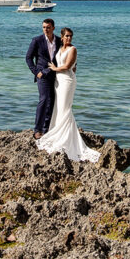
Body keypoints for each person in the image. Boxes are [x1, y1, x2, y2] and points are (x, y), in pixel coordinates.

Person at [36, 28, 99, 162]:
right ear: (62, 37)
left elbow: (67, 66)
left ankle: (66, 139)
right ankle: (57, 133)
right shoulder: (60, 47)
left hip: (67, 81)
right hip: (58, 81)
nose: (69, 38)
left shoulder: (73, 49)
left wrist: (53, 69)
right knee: (58, 108)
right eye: (67, 36)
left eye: (71, 36)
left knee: (65, 108)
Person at [25, 18, 60, 140]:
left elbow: (65, 54)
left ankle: (46, 129)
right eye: (44, 27)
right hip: (42, 76)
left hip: (56, 75)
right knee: (44, 100)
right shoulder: (37, 40)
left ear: (53, 28)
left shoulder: (59, 41)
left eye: (48, 27)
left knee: (52, 101)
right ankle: (37, 130)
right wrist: (36, 72)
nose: (46, 29)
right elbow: (28, 58)